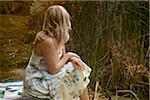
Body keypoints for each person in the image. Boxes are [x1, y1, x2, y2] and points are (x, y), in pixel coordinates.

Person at [23, 5, 92, 100]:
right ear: (60, 22)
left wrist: (72, 59)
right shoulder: (46, 41)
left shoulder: (59, 37)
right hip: (38, 78)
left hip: (48, 73)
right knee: (74, 74)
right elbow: (53, 69)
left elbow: (62, 57)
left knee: (77, 68)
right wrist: (69, 56)